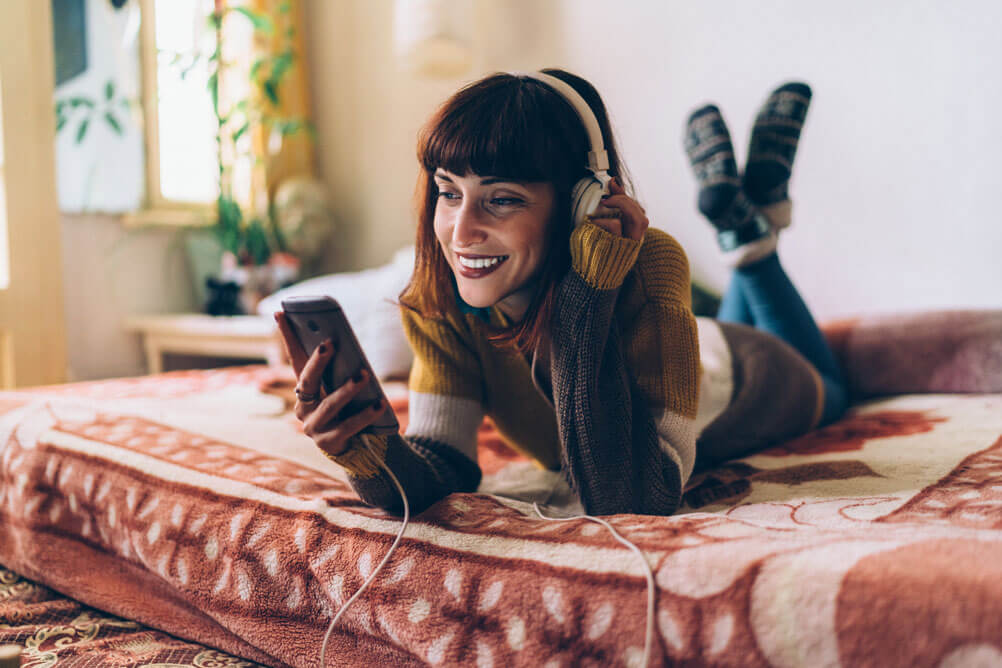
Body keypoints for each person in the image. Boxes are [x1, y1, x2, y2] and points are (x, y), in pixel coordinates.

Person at [274, 70, 848, 517]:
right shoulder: (439, 301)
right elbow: (443, 462)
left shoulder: (648, 264)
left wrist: (585, 294)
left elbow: (630, 498)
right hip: (706, 337)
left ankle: (751, 242)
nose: (460, 231)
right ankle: (750, 226)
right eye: (449, 194)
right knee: (742, 288)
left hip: (758, 378)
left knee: (837, 388)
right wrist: (363, 451)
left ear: (583, 202)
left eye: (501, 199)